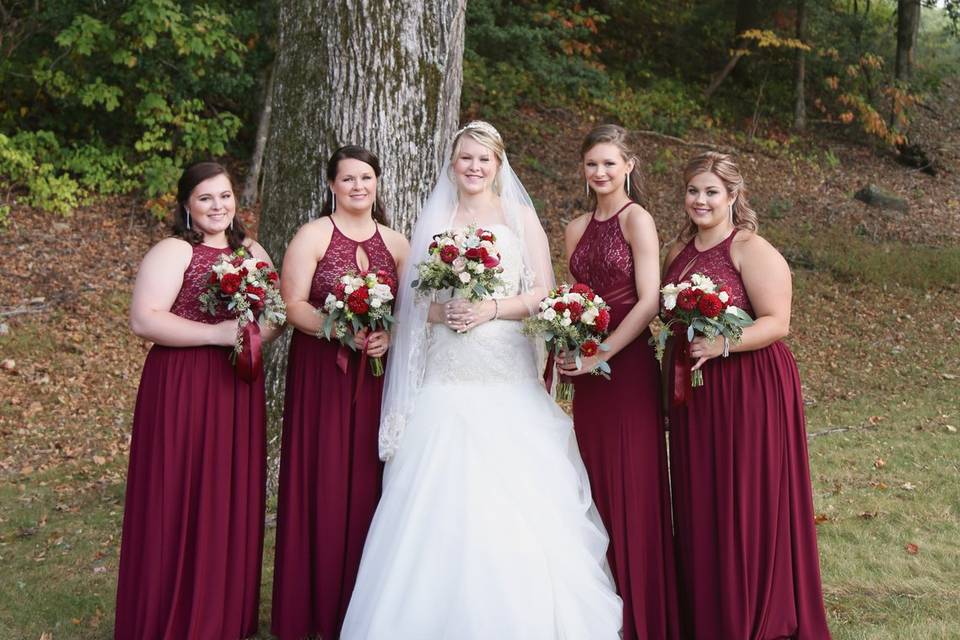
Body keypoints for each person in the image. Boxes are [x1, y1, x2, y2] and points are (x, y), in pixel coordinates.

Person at [339, 121, 622, 639]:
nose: (473, 167)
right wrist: (444, 312)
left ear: (498, 165)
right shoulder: (434, 218)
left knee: (518, 491)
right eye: (465, 158)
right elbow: (413, 304)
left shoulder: (519, 217)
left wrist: (491, 307)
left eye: (483, 160)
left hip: (504, 367)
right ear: (453, 164)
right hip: (448, 372)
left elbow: (542, 293)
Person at [662, 151, 832, 639]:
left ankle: (756, 612)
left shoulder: (750, 248)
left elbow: (778, 322)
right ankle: (710, 613)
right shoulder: (681, 251)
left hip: (748, 386)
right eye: (693, 190)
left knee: (744, 497)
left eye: (712, 191)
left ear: (733, 196)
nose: (701, 200)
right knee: (703, 497)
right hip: (697, 391)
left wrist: (722, 343)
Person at [116, 161, 281, 639]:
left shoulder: (251, 250)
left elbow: (275, 314)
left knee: (227, 492)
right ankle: (167, 614)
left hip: (237, 385)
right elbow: (144, 320)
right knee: (177, 490)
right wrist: (217, 333)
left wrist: (251, 335)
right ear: (187, 204)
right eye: (206, 198)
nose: (218, 206)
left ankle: (221, 614)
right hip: (182, 384)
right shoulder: (173, 250)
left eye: (225, 196)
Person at [271, 145, 409, 640]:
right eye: (348, 179)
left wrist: (387, 335)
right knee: (323, 476)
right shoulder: (312, 235)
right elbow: (291, 305)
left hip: (376, 377)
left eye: (366, 178)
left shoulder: (397, 244)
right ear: (331, 185)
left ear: (377, 184)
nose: (358, 187)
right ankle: (311, 607)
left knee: (369, 480)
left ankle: (363, 606)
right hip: (323, 375)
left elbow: (412, 312)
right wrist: (338, 330)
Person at [559, 124, 680, 639]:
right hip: (589, 373)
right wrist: (569, 341)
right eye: (592, 164)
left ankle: (646, 615)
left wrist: (602, 352)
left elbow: (649, 300)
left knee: (633, 481)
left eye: (610, 163)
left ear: (629, 165)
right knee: (594, 480)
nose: (600, 173)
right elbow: (575, 297)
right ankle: (601, 609)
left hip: (626, 368)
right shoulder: (573, 227)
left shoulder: (638, 220)